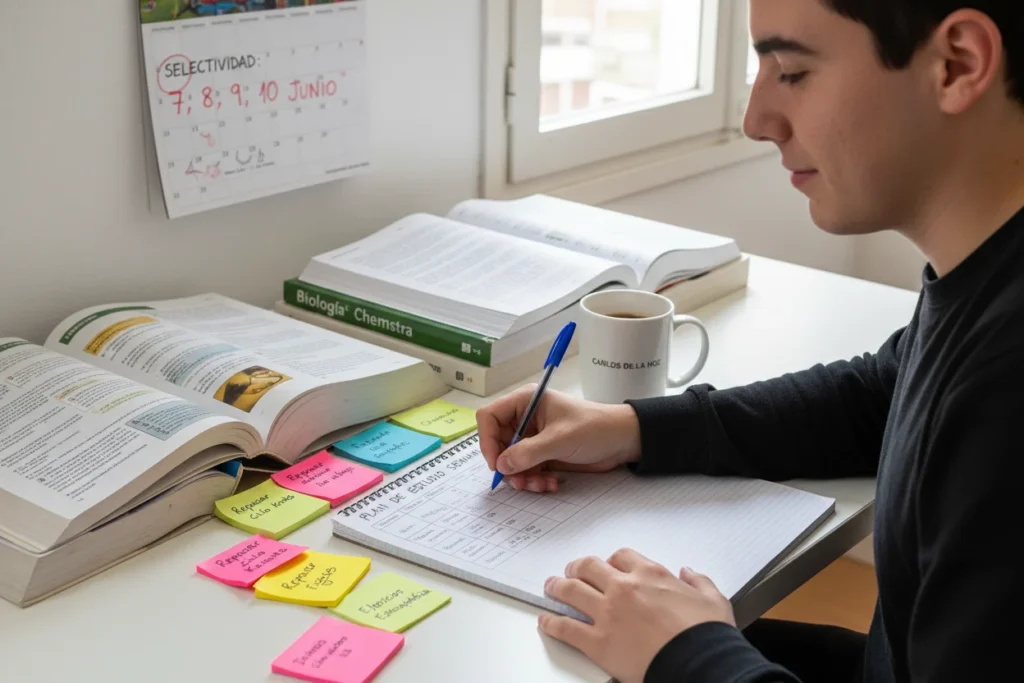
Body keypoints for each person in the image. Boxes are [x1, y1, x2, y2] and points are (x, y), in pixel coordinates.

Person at [475, 1, 1024, 682]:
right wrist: (633, 428)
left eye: (791, 71)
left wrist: (693, 652)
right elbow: (878, 394)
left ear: (957, 64)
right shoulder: (984, 277)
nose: (756, 120)